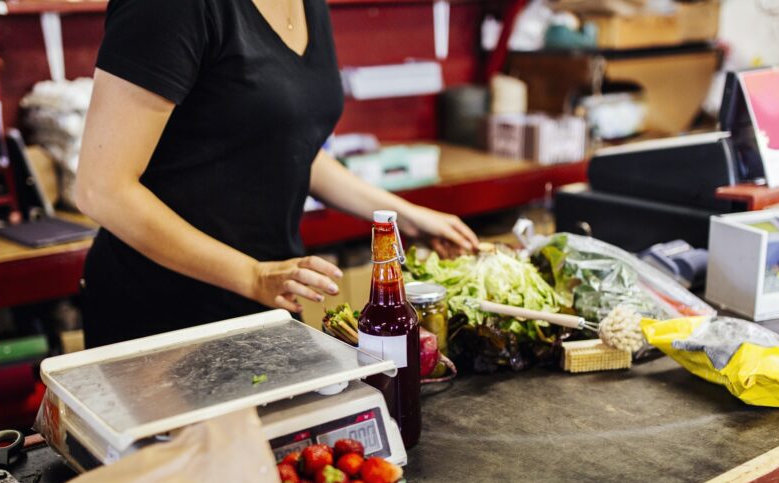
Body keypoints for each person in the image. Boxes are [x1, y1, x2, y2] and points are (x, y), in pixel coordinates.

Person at [75, 0, 478, 348]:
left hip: (267, 301)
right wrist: (252, 276)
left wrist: (403, 216)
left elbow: (286, 143)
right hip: (162, 317)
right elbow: (102, 189)